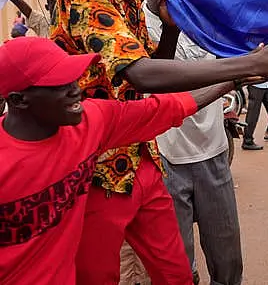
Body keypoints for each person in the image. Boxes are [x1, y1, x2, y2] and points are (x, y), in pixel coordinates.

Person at [50, 0, 268, 284]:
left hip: (142, 159)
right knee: (96, 276)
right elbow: (141, 74)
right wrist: (253, 65)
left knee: (177, 273)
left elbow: (145, 31)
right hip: (95, 170)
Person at [0, 37, 238, 284]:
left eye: (73, 77)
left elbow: (165, 108)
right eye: (58, 83)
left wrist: (236, 77)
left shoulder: (89, 123)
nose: (75, 89)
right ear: (19, 100)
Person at [144, 0, 243, 285]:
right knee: (178, 267)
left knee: (227, 262)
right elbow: (160, 77)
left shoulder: (207, 26)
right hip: (167, 160)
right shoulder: (140, 27)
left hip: (213, 154)